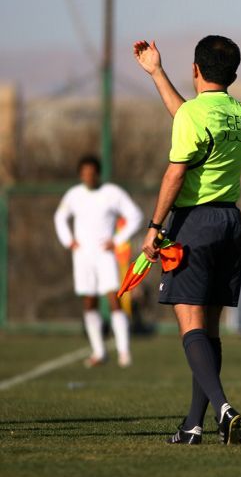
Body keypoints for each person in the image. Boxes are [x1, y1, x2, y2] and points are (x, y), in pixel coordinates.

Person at [132, 35, 241, 445]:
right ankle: (192, 426)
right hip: (230, 222)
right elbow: (189, 117)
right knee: (210, 330)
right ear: (233, 74)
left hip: (194, 224)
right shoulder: (239, 112)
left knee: (189, 324)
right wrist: (156, 72)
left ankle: (223, 408)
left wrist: (154, 226)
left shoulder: (192, 116)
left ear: (195, 69)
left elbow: (176, 172)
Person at [54, 155, 143, 368]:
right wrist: (69, 241)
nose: (88, 177)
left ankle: (123, 352)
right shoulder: (74, 195)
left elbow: (135, 216)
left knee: (114, 299)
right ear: (80, 175)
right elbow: (60, 218)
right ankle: (98, 352)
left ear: (98, 174)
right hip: (82, 256)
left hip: (105, 255)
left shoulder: (112, 193)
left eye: (92, 173)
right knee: (89, 301)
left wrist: (117, 240)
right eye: (84, 173)